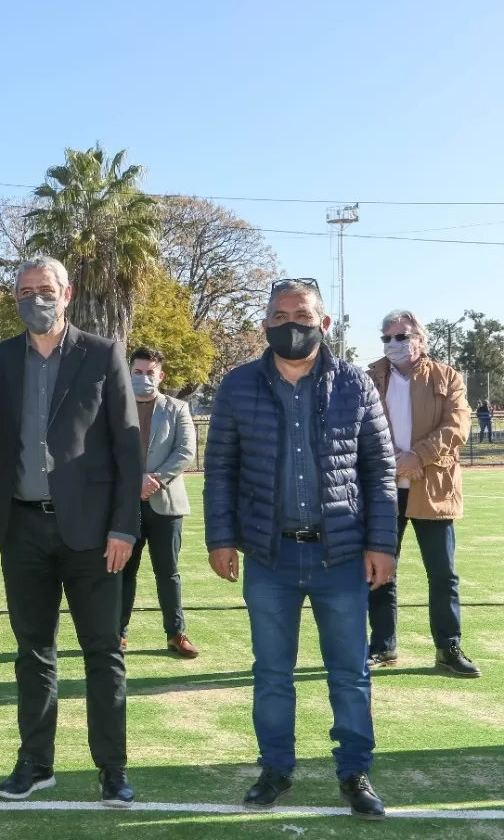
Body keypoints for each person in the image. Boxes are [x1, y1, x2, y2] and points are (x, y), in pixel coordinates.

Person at [204, 278, 397, 820]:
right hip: (271, 557)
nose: (292, 324)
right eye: (281, 316)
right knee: (271, 672)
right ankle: (275, 768)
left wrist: (382, 544)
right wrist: (221, 537)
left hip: (341, 555)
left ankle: (354, 771)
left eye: (303, 315)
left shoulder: (355, 384)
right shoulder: (238, 385)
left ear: (324, 323)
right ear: (265, 324)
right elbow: (220, 470)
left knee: (350, 673)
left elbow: (379, 471)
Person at [0, 256, 140, 807]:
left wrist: (124, 527)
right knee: (33, 652)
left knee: (102, 651)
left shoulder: (103, 353)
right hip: (21, 527)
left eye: (44, 290)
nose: (34, 299)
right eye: (24, 291)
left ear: (67, 294)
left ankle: (111, 768)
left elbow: (127, 446)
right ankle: (35, 763)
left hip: (94, 533)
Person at [365, 311, 479, 676]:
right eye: (387, 338)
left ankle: (448, 647)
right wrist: (394, 462)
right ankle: (383, 646)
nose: (393, 344)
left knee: (443, 574)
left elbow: (457, 425)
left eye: (402, 336)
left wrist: (418, 456)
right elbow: (358, 427)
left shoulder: (447, 377)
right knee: (380, 570)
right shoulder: (370, 378)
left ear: (421, 340)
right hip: (383, 490)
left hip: (433, 489)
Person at [121, 347, 199, 658]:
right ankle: (117, 634)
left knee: (168, 572)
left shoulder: (178, 408)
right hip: (125, 505)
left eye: (150, 373)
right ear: (129, 373)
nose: (143, 378)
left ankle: (176, 634)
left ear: (160, 375)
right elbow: (103, 450)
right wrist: (134, 482)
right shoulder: (114, 406)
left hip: (166, 504)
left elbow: (185, 452)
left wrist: (153, 480)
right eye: (137, 372)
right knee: (123, 572)